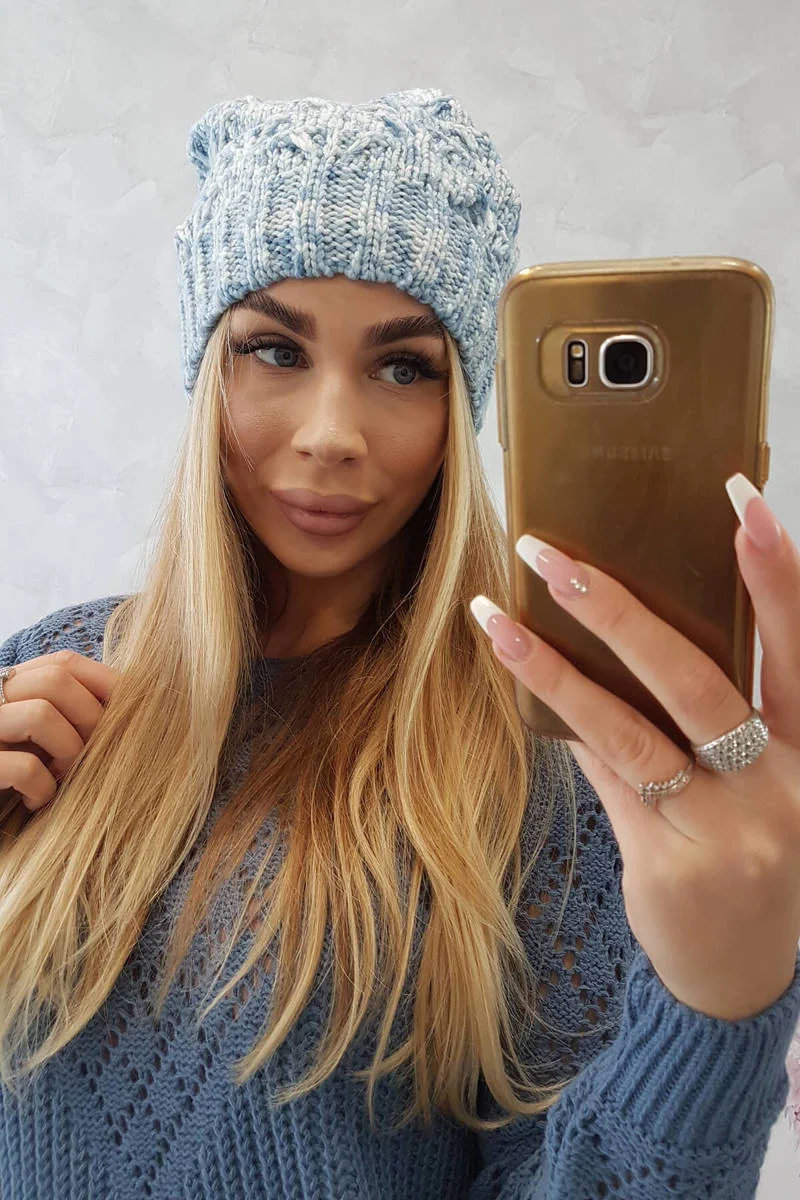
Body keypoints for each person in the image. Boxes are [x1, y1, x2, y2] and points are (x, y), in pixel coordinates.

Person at [0, 87, 799, 1199]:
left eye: (403, 367)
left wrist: (715, 1006)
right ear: (206, 371)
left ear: (460, 408)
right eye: (273, 349)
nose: (331, 434)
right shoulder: (46, 679)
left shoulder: (549, 769)